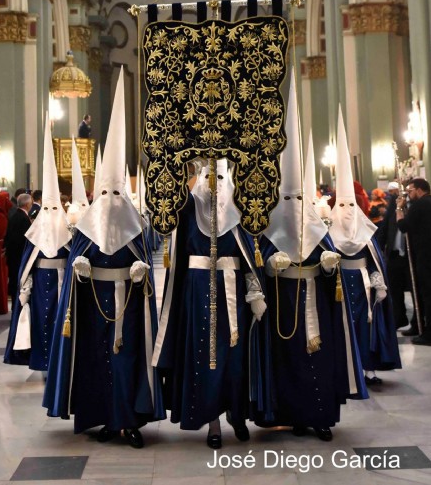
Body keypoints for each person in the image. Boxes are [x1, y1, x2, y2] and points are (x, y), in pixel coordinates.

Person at [44, 68, 165, 449]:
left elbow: (147, 256)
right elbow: (77, 256)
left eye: (118, 192)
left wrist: (141, 271)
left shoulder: (137, 223)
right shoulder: (85, 225)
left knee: (128, 360)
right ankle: (104, 418)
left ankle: (129, 419)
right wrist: (79, 270)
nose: (113, 200)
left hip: (128, 305)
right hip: (94, 307)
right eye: (107, 191)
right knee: (99, 363)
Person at [258, 75, 367, 442]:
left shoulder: (318, 228)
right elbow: (260, 263)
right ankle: (291, 415)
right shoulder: (270, 229)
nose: (293, 207)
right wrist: (270, 266)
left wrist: (328, 265)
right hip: (282, 305)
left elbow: (328, 258)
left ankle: (320, 416)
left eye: (298, 200)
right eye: (287, 200)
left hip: (315, 303)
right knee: (286, 360)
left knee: (317, 358)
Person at [152, 158, 271, 449]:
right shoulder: (188, 209)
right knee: (204, 357)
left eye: (218, 178)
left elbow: (247, 253)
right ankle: (212, 421)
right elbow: (177, 255)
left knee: (235, 356)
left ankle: (237, 413)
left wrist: (255, 290)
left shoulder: (238, 211)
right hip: (197, 290)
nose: (213, 187)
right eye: (208, 178)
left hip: (232, 289)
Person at [329, 108, 401, 385]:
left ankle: (367, 369)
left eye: (351, 205)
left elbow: (373, 259)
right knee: (341, 328)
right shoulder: (328, 232)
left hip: (362, 285)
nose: (346, 210)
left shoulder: (366, 230)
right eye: (342, 205)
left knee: (365, 326)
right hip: (338, 286)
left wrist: (377, 281)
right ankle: (343, 369)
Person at [4, 115, 72, 373]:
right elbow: (28, 260)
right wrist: (25, 288)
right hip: (43, 279)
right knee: (43, 320)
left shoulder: (66, 228)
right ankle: (42, 359)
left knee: (60, 319)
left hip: (62, 278)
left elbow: (72, 252)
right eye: (49, 207)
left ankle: (62, 358)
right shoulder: (37, 227)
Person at [396, 178, 431, 346]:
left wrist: (398, 210)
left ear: (419, 190)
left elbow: (403, 226)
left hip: (424, 255)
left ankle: (428, 333)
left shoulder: (419, 205)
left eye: (410, 191)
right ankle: (419, 325)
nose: (408, 195)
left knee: (427, 293)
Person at [376, 181, 411, 330]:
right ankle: (399, 317)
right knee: (395, 289)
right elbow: (385, 227)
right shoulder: (393, 205)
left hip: (410, 255)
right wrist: (379, 247)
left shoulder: (414, 207)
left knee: (412, 289)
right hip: (394, 253)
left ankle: (418, 321)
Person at [4, 193, 32, 299]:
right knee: (17, 281)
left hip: (14, 256)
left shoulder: (16, 215)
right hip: (18, 256)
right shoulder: (23, 218)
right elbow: (23, 239)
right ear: (27, 204)